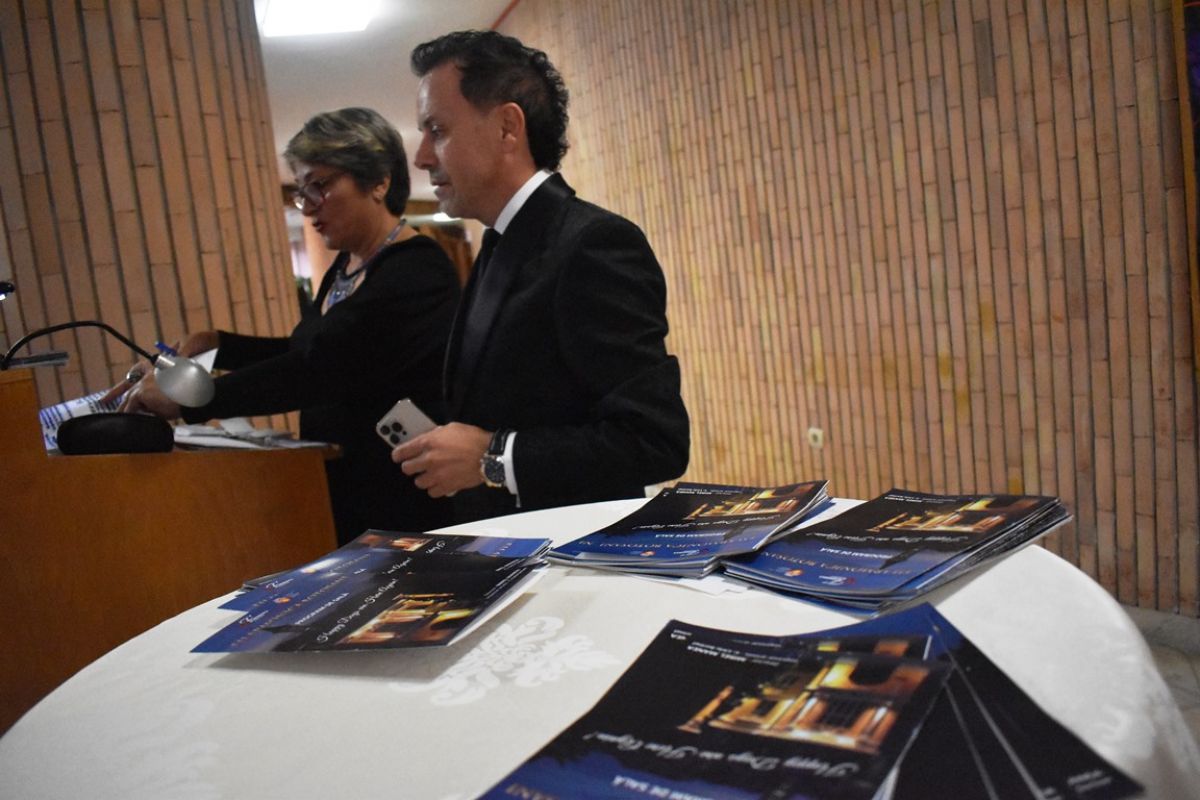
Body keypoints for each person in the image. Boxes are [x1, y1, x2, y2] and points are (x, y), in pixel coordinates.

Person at [115, 108, 460, 544]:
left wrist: (191, 398)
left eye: (320, 186)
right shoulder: (346, 267)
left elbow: (322, 368)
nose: (308, 206)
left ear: (378, 181)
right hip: (349, 484)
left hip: (404, 495)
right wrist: (220, 346)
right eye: (302, 191)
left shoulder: (417, 270)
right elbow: (308, 348)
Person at [393, 30, 690, 523]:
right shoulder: (498, 241)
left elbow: (654, 440)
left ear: (508, 127)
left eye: (437, 130)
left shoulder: (592, 243)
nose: (422, 156)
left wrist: (493, 458)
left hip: (575, 555)